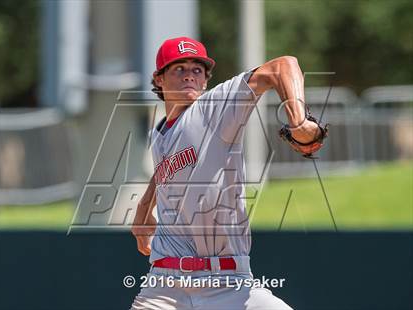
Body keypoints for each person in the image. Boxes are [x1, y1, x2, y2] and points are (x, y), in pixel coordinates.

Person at [130, 36, 324, 310]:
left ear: (206, 80)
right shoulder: (161, 133)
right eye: (179, 69)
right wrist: (143, 207)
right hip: (164, 287)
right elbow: (166, 168)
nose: (189, 76)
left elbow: (282, 66)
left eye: (197, 70)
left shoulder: (213, 107)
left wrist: (299, 120)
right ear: (159, 79)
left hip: (228, 284)